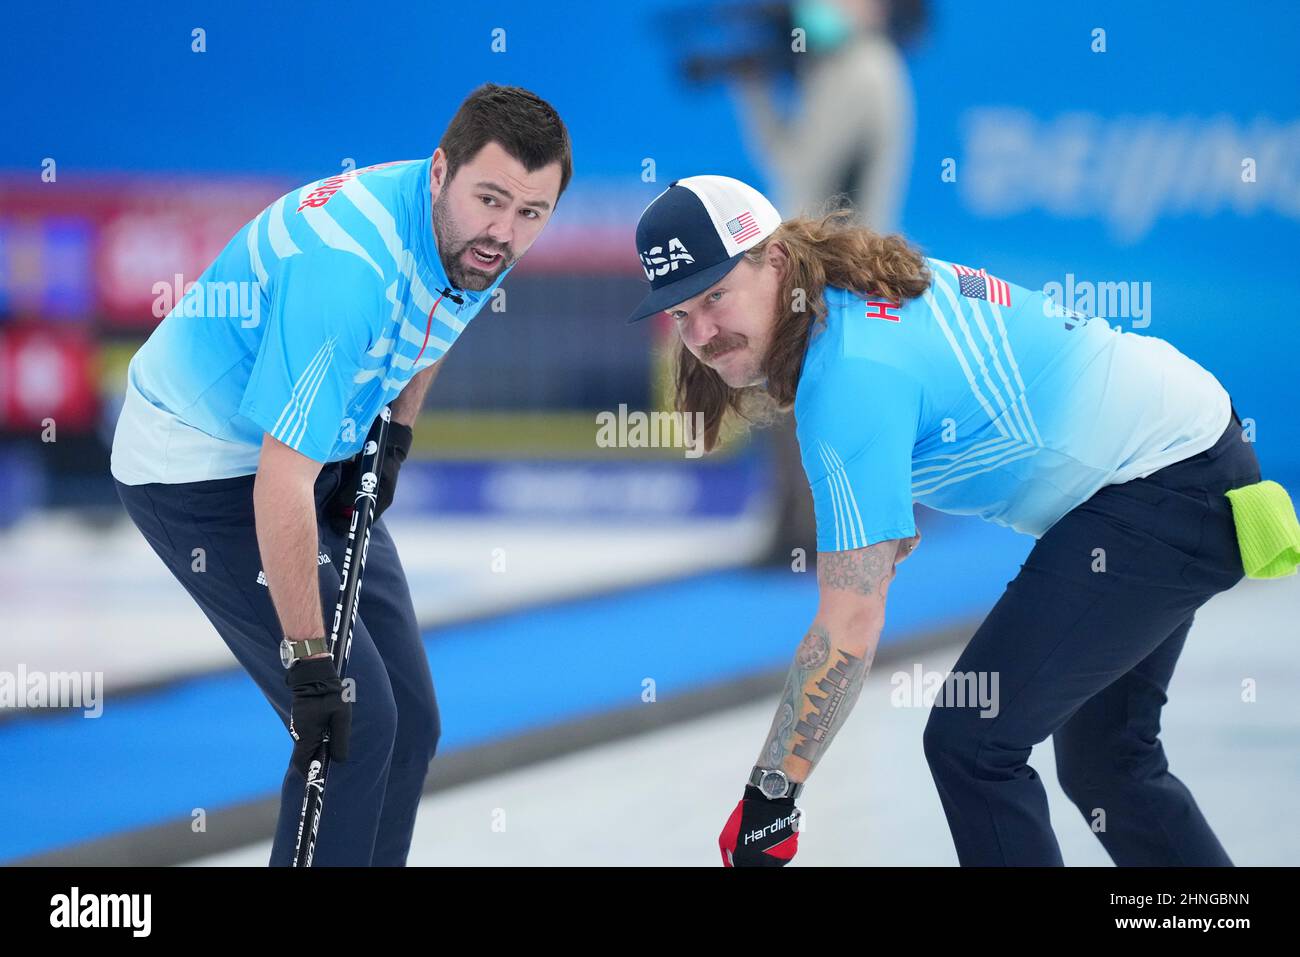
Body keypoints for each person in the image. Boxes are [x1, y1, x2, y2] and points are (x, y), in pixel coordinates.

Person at [625, 174, 1297, 867]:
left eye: (714, 296)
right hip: (1185, 453)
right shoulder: (842, 290)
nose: (701, 332)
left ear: (775, 260)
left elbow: (848, 626)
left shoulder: (848, 374)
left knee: (973, 742)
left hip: (1163, 481)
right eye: (680, 312)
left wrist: (772, 797)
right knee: (1107, 761)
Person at [110, 84, 572, 866]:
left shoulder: (476, 231)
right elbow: (277, 483)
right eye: (491, 200)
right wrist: (309, 666)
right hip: (199, 469)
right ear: (440, 171)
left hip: (315, 444)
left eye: (532, 213)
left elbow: (439, 312)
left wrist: (396, 431)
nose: (506, 231)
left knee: (413, 721)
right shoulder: (347, 272)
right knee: (352, 718)